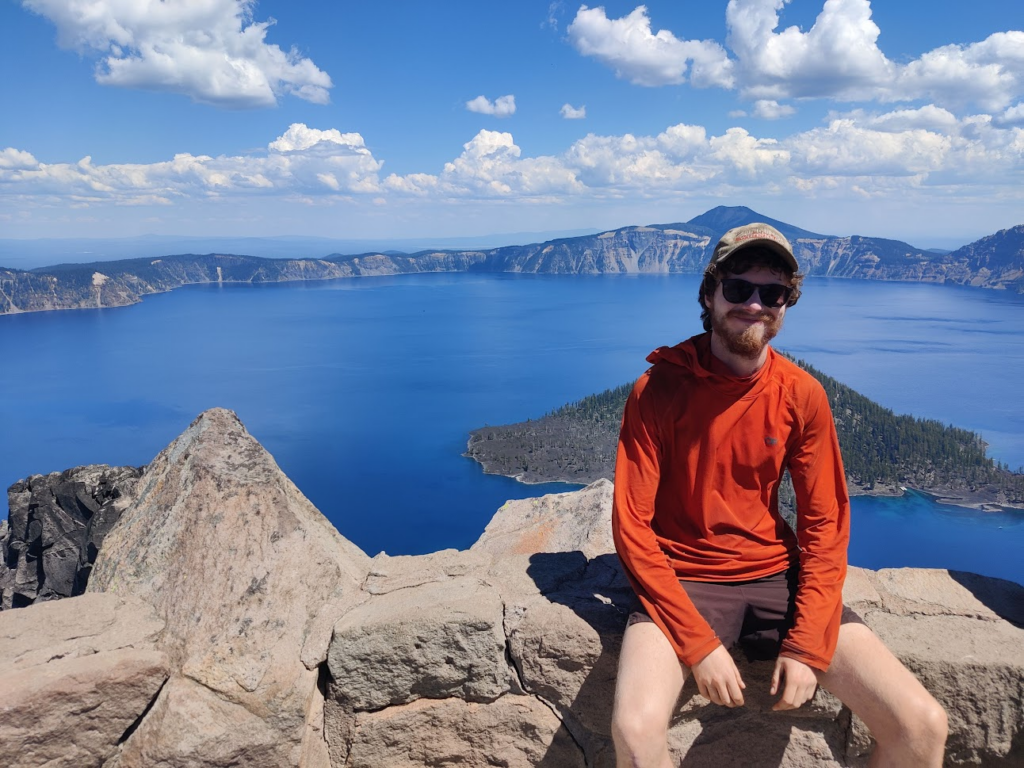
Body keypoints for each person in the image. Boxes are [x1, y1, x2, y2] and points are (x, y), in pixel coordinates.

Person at [610, 223, 948, 767]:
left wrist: (808, 643)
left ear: (787, 303)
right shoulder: (660, 389)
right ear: (709, 294)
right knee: (634, 730)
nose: (755, 304)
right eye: (739, 288)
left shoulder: (800, 395)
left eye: (773, 293)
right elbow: (632, 528)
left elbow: (825, 525)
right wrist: (698, 646)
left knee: (922, 726)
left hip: (774, 576)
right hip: (683, 577)